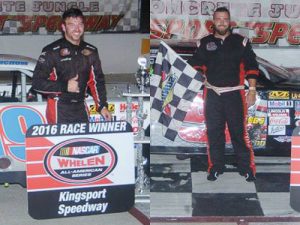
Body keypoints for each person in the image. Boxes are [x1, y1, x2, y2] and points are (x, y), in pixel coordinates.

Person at [188, 7, 258, 182]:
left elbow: (252, 67)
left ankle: (247, 168)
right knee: (214, 133)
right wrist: (201, 77)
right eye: (218, 19)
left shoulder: (241, 42)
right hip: (212, 95)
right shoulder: (204, 43)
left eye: (225, 19)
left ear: (230, 21)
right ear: (213, 21)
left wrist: (252, 90)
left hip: (235, 95)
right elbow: (193, 65)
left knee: (239, 133)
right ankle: (215, 168)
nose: (221, 22)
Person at [32, 8, 111, 124]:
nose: (77, 29)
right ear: (63, 27)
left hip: (80, 107)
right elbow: (37, 83)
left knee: (84, 142)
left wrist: (102, 106)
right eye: (72, 25)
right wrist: (65, 86)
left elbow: (96, 81)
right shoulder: (51, 51)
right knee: (63, 143)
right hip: (59, 107)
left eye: (80, 24)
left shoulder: (91, 51)